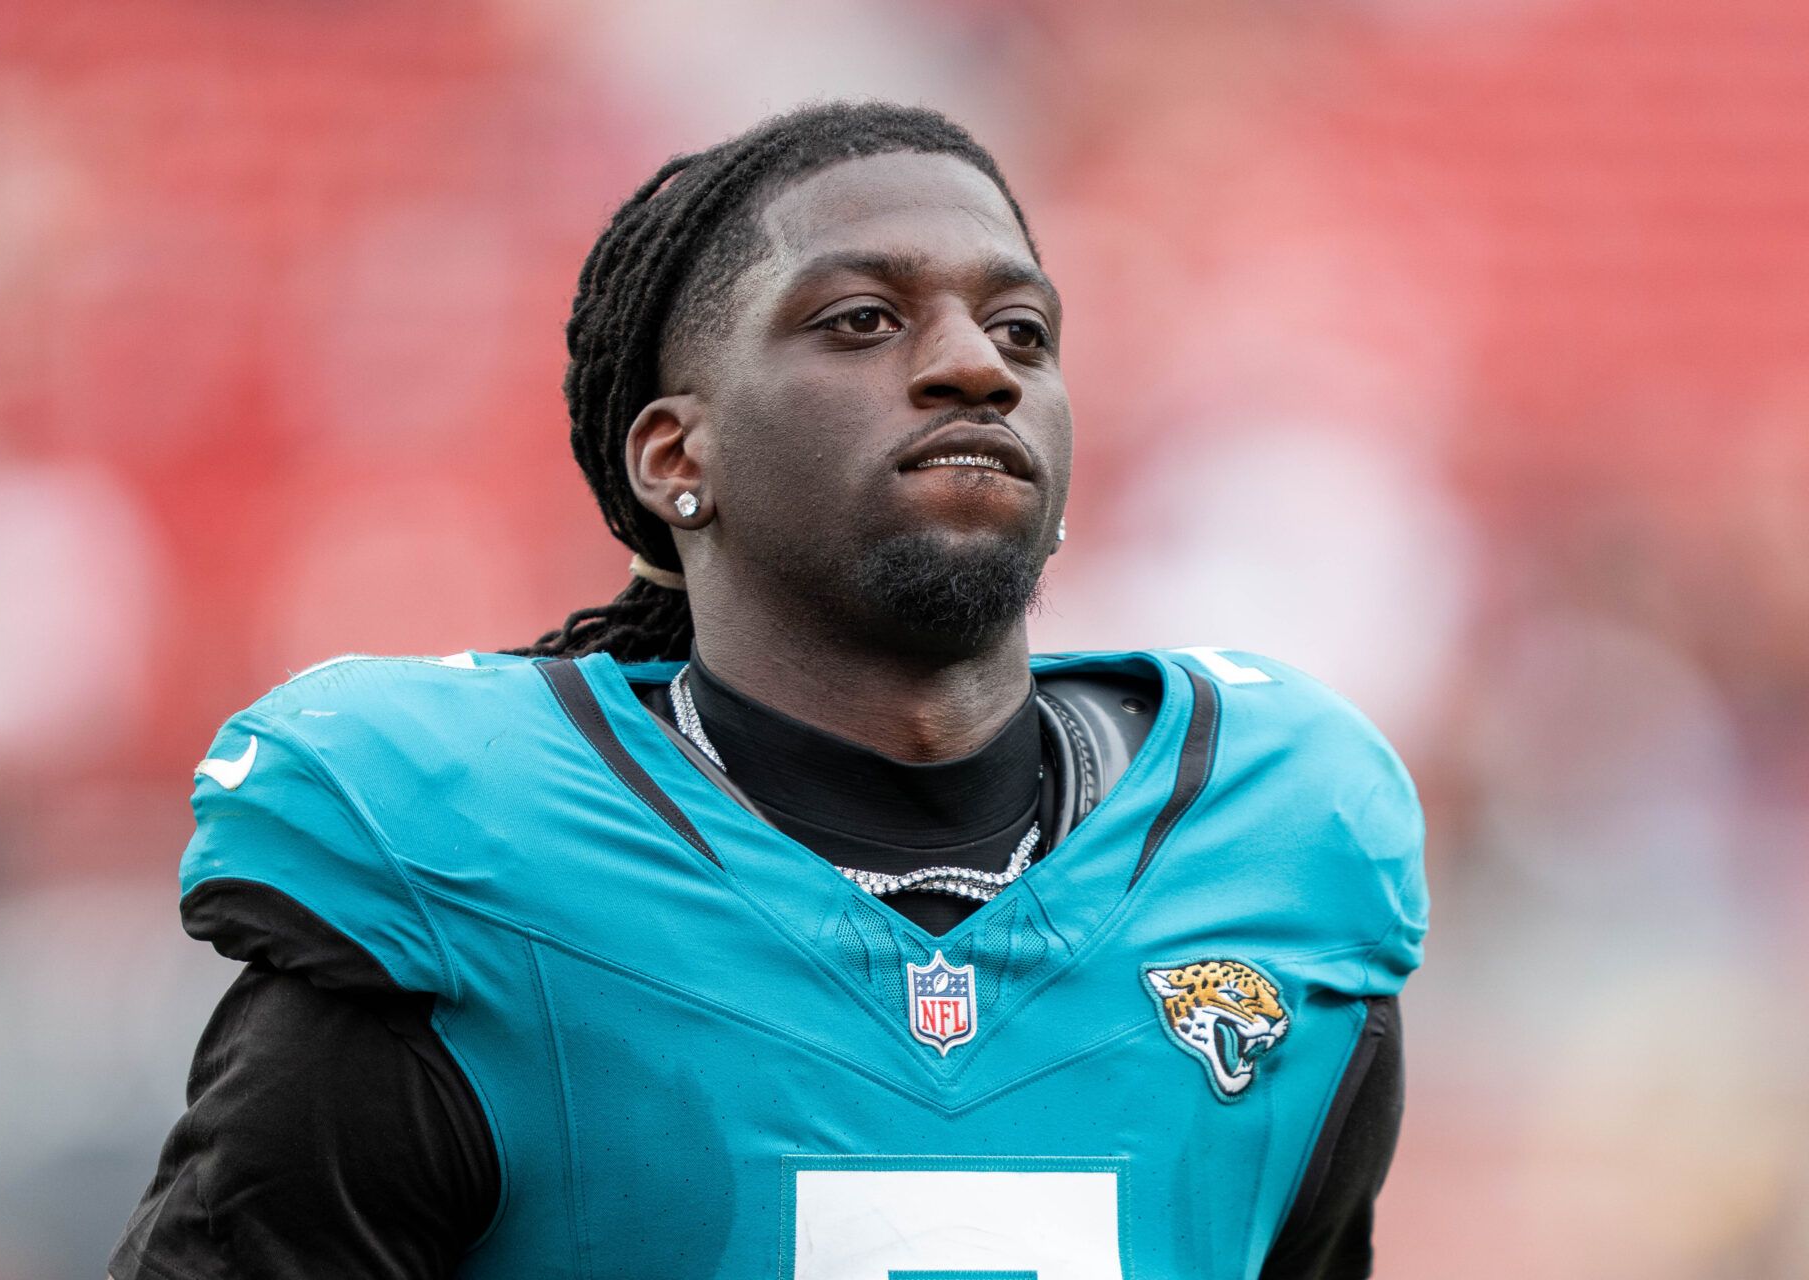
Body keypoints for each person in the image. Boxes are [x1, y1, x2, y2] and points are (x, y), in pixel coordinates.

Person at [112, 101, 1426, 1280]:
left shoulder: (1273, 856)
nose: (979, 365)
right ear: (679, 456)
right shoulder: (469, 872)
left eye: (1021, 328)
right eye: (862, 320)